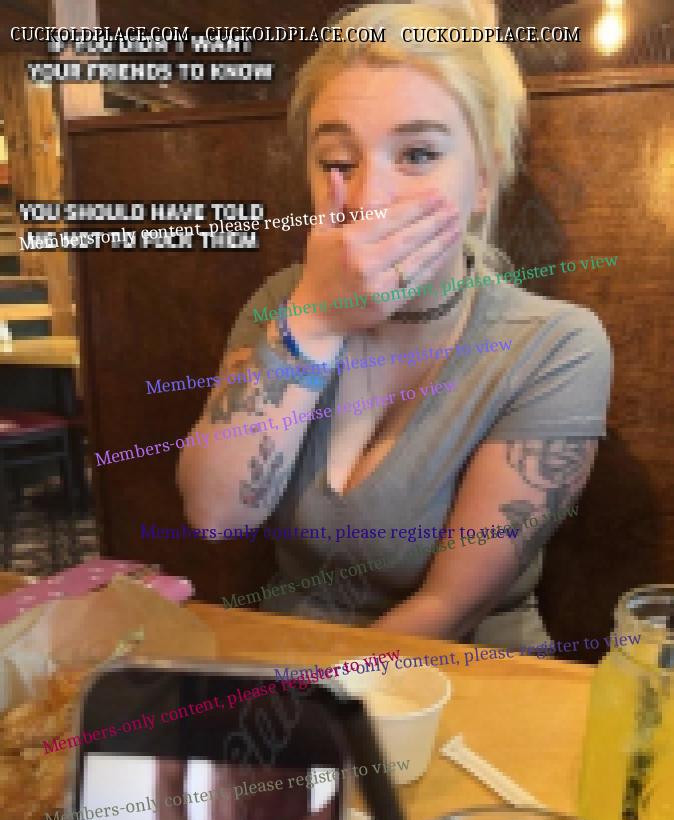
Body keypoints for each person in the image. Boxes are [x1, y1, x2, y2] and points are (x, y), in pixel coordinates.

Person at [178, 0, 612, 649]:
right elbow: (216, 514)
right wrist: (315, 322)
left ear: (484, 179)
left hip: (462, 677)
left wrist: (315, 698)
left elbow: (449, 607)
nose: (368, 199)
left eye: (417, 154)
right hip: (287, 663)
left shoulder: (558, 345)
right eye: (337, 161)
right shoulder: (283, 303)